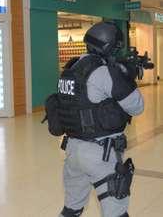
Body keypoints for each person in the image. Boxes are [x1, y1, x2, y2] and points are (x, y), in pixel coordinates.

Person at [45, 22, 144, 217]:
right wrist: (127, 75)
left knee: (71, 210)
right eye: (115, 47)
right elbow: (137, 106)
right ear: (108, 47)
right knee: (116, 212)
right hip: (102, 153)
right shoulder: (103, 72)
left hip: (73, 150)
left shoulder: (70, 70)